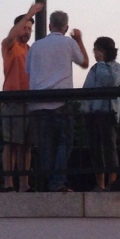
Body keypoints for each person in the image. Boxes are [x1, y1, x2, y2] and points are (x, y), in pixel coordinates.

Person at [26, 10, 88, 191]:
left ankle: (47, 181)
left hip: (38, 102)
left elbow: (28, 70)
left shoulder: (36, 46)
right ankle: (57, 181)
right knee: (64, 143)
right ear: (66, 27)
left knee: (45, 144)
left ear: (49, 26)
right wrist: (79, 40)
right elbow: (84, 62)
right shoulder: (69, 43)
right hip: (61, 101)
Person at [1, 3, 44, 191]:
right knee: (11, 143)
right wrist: (29, 14)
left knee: (26, 145)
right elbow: (11, 36)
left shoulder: (30, 50)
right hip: (13, 100)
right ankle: (8, 183)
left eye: (29, 29)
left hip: (30, 101)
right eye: (24, 28)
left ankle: (24, 184)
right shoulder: (10, 46)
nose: (27, 32)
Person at [82, 37, 120, 190]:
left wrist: (101, 63)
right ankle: (100, 184)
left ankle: (112, 182)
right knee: (95, 149)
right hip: (92, 113)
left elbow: (110, 82)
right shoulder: (93, 69)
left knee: (109, 147)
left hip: (107, 112)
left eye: (98, 49)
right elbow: (86, 89)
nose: (95, 53)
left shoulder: (115, 67)